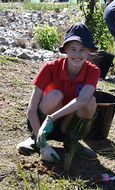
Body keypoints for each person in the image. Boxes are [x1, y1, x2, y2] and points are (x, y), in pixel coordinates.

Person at [16, 23, 100, 170]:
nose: (77, 54)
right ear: (65, 50)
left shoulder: (93, 71)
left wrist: (52, 118)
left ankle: (71, 142)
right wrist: (43, 146)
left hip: (64, 126)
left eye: (82, 50)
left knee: (90, 102)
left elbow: (83, 100)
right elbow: (31, 109)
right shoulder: (49, 68)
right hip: (41, 125)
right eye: (73, 49)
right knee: (55, 95)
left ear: (89, 52)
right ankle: (37, 140)